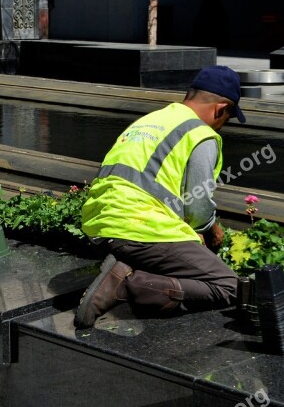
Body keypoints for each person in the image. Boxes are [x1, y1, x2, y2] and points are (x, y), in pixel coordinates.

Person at [74, 65, 245, 329]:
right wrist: (209, 228)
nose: (222, 126)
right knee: (231, 287)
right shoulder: (201, 134)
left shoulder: (151, 120)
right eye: (228, 118)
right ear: (221, 109)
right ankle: (128, 284)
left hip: (102, 225)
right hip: (142, 228)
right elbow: (197, 208)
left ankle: (125, 266)